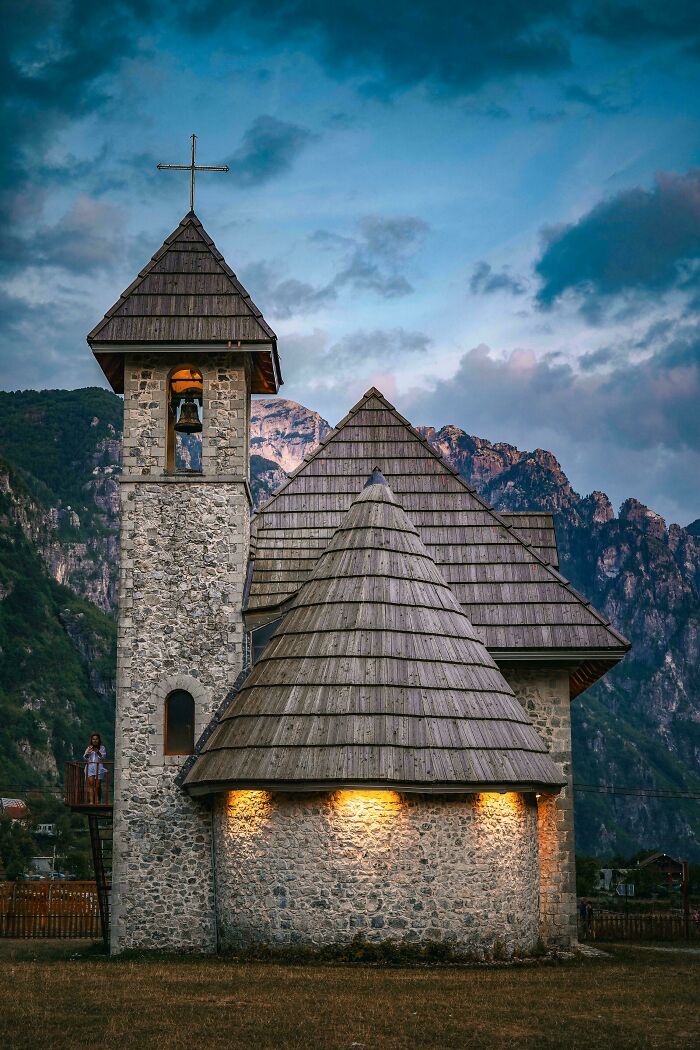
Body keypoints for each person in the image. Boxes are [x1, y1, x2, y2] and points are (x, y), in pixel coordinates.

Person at [84, 734, 107, 804]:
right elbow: (85, 757)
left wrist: (97, 751)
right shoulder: (89, 747)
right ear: (91, 740)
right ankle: (91, 801)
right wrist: (88, 753)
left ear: (99, 740)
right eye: (93, 739)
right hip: (90, 766)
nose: (95, 740)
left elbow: (103, 757)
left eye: (96, 739)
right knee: (91, 784)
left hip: (99, 767)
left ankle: (98, 800)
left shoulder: (102, 748)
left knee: (97, 785)